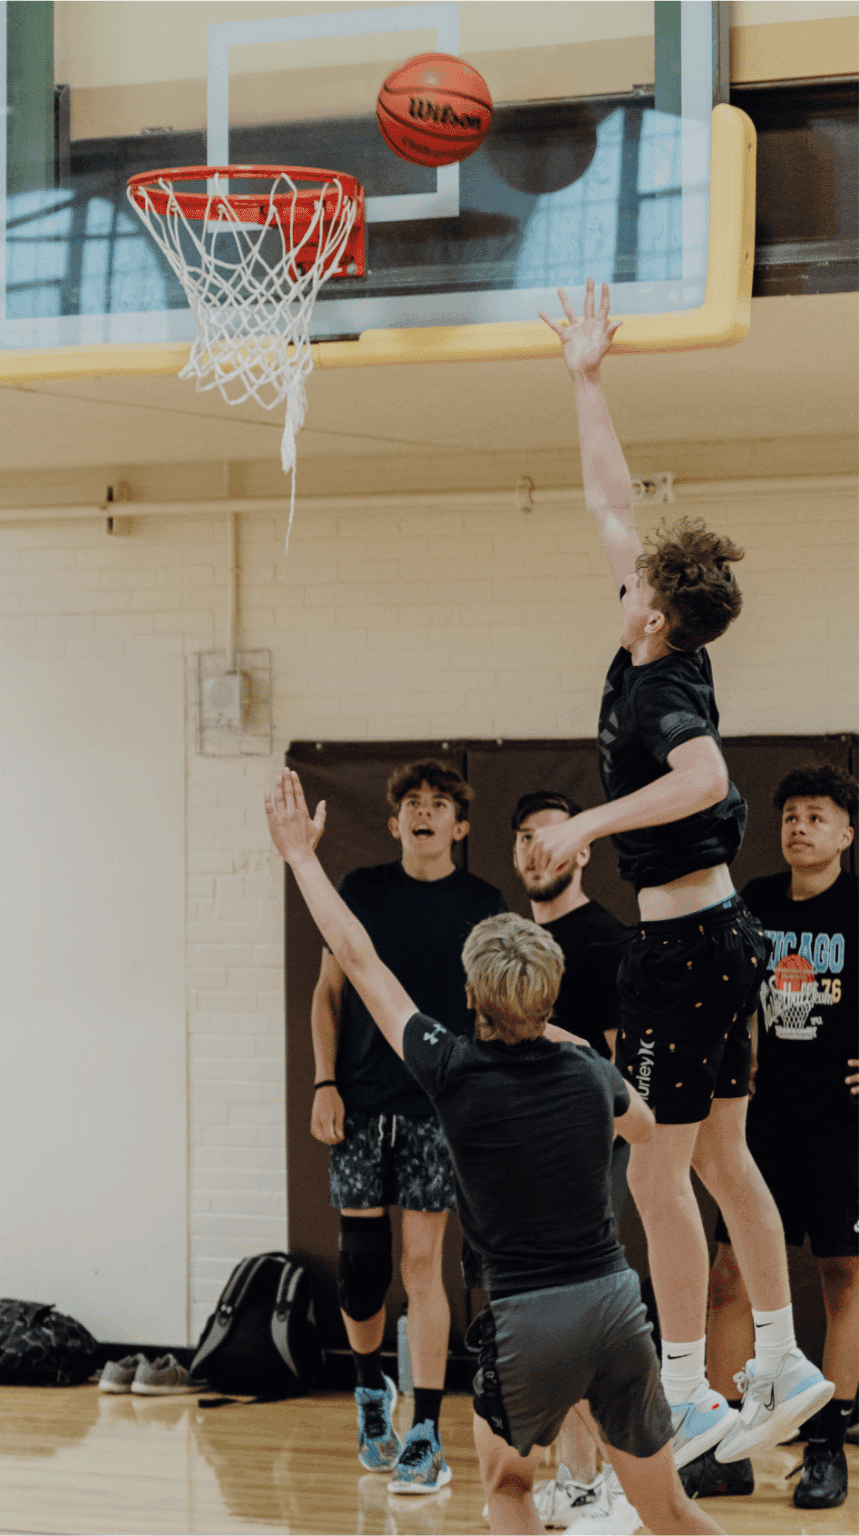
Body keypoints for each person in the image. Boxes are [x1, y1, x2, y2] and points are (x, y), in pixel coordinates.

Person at [533, 280, 833, 1472]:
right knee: (718, 1158)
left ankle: (683, 1385)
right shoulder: (663, 647)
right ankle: (781, 1358)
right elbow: (608, 501)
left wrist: (588, 824)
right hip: (720, 942)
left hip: (682, 949)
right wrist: (585, 380)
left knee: (652, 1171)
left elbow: (704, 779)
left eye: (637, 582)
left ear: (656, 612)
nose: (623, 578)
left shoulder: (662, 689)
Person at [266, 766, 726, 1536]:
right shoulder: (592, 1072)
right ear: (548, 994)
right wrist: (564, 1037)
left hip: (524, 1321)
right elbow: (646, 1126)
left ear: (472, 996)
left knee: (509, 1491)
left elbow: (360, 959)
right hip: (615, 1310)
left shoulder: (450, 1068)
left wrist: (299, 857)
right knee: (668, 1508)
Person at [309, 759, 507, 1493]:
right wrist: (325, 1082)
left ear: (460, 825)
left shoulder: (484, 904)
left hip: (437, 1108)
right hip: (361, 1105)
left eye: (440, 803)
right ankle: (370, 1388)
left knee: (423, 1267)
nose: (425, 812)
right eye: (413, 803)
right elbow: (328, 994)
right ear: (395, 823)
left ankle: (425, 1429)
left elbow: (494, 1013)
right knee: (362, 1273)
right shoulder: (360, 891)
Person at [705, 764, 858, 1509]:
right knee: (729, 1276)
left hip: (840, 1124)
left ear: (846, 834)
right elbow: (727, 995)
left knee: (842, 1278)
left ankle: (828, 1446)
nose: (800, 827)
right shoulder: (755, 903)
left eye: (817, 816)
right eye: (791, 815)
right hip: (760, 1122)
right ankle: (725, 1448)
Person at [511, 789, 638, 1531]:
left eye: (551, 836)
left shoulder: (607, 942)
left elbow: (625, 1076)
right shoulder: (506, 946)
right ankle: (579, 1475)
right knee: (544, 1318)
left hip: (589, 1160)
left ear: (584, 850)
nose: (537, 849)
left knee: (580, 1314)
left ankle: (603, 1483)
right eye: (525, 836)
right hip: (519, 1160)